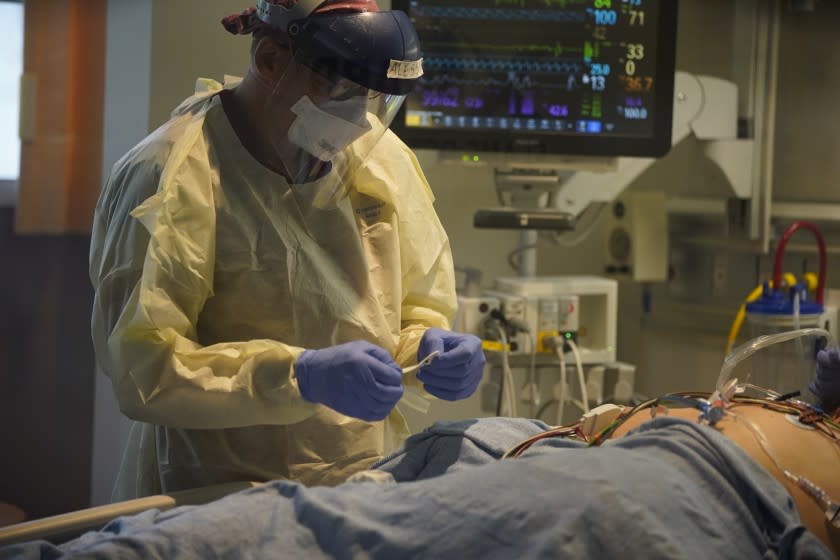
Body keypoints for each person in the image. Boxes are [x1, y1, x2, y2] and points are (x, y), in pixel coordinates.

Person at [89, 0, 485, 501]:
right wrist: (296, 375)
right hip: (214, 499)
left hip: (359, 488)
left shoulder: (380, 160)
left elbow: (408, 308)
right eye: (339, 87)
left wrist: (429, 346)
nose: (358, 116)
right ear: (272, 59)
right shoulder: (169, 176)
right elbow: (145, 369)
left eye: (370, 95)